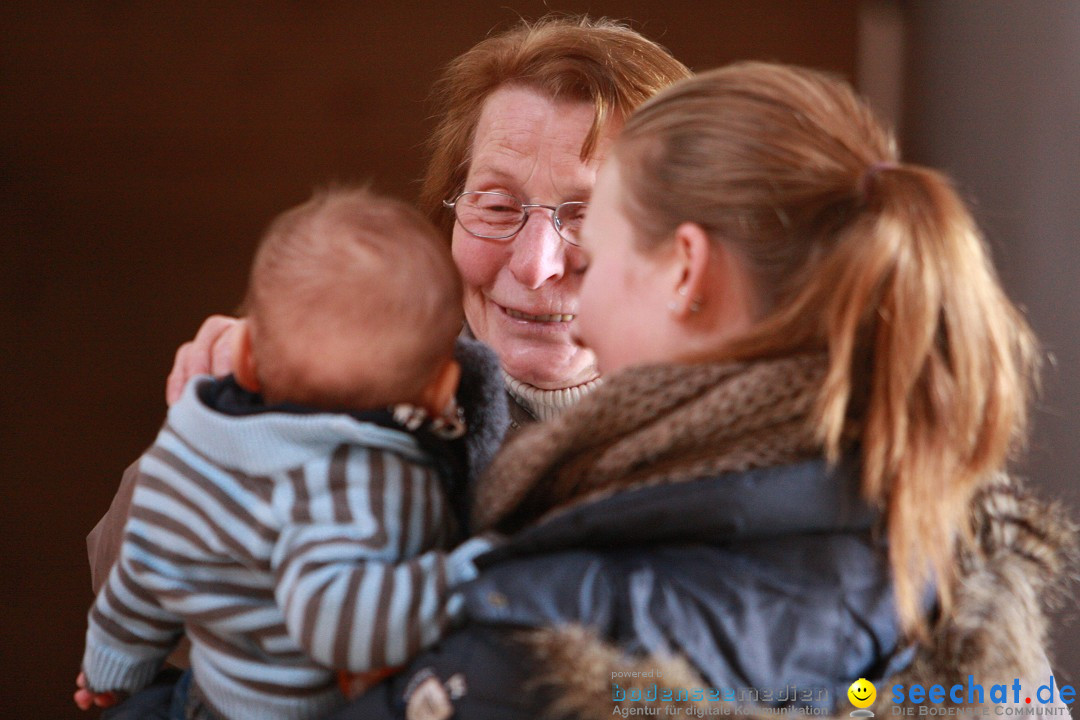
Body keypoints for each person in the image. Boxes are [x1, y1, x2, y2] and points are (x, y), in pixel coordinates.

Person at [327, 63, 1075, 719]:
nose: (543, 267)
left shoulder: (537, 640)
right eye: (495, 206)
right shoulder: (938, 534)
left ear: (686, 269)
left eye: (594, 230)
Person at [75, 187, 499, 719]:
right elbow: (334, 618)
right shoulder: (364, 485)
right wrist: (463, 574)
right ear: (441, 388)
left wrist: (110, 666)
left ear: (245, 356)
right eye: (499, 206)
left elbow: (144, 570)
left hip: (203, 697)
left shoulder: (186, 446)